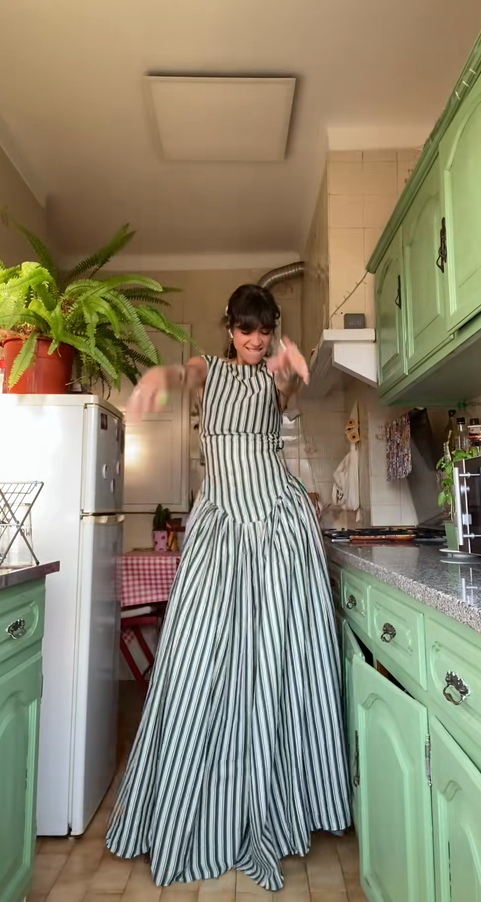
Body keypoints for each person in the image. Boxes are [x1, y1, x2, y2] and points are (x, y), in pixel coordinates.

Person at [107, 284, 351, 891]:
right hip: (222, 526)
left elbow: (288, 393)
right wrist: (154, 381)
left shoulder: (272, 373)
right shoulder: (210, 367)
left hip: (276, 523)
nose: (255, 339)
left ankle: (283, 794)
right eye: (246, 329)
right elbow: (180, 373)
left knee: (278, 650)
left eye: (263, 329)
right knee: (202, 652)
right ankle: (201, 791)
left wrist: (294, 369)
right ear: (229, 327)